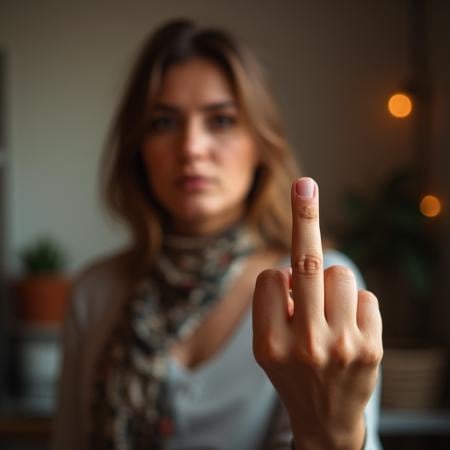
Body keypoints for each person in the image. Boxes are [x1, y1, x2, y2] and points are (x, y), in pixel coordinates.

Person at [52, 19, 383, 450]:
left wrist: (333, 433)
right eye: (164, 123)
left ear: (261, 143)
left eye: (221, 120)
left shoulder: (320, 289)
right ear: (139, 148)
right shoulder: (95, 292)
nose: (191, 147)